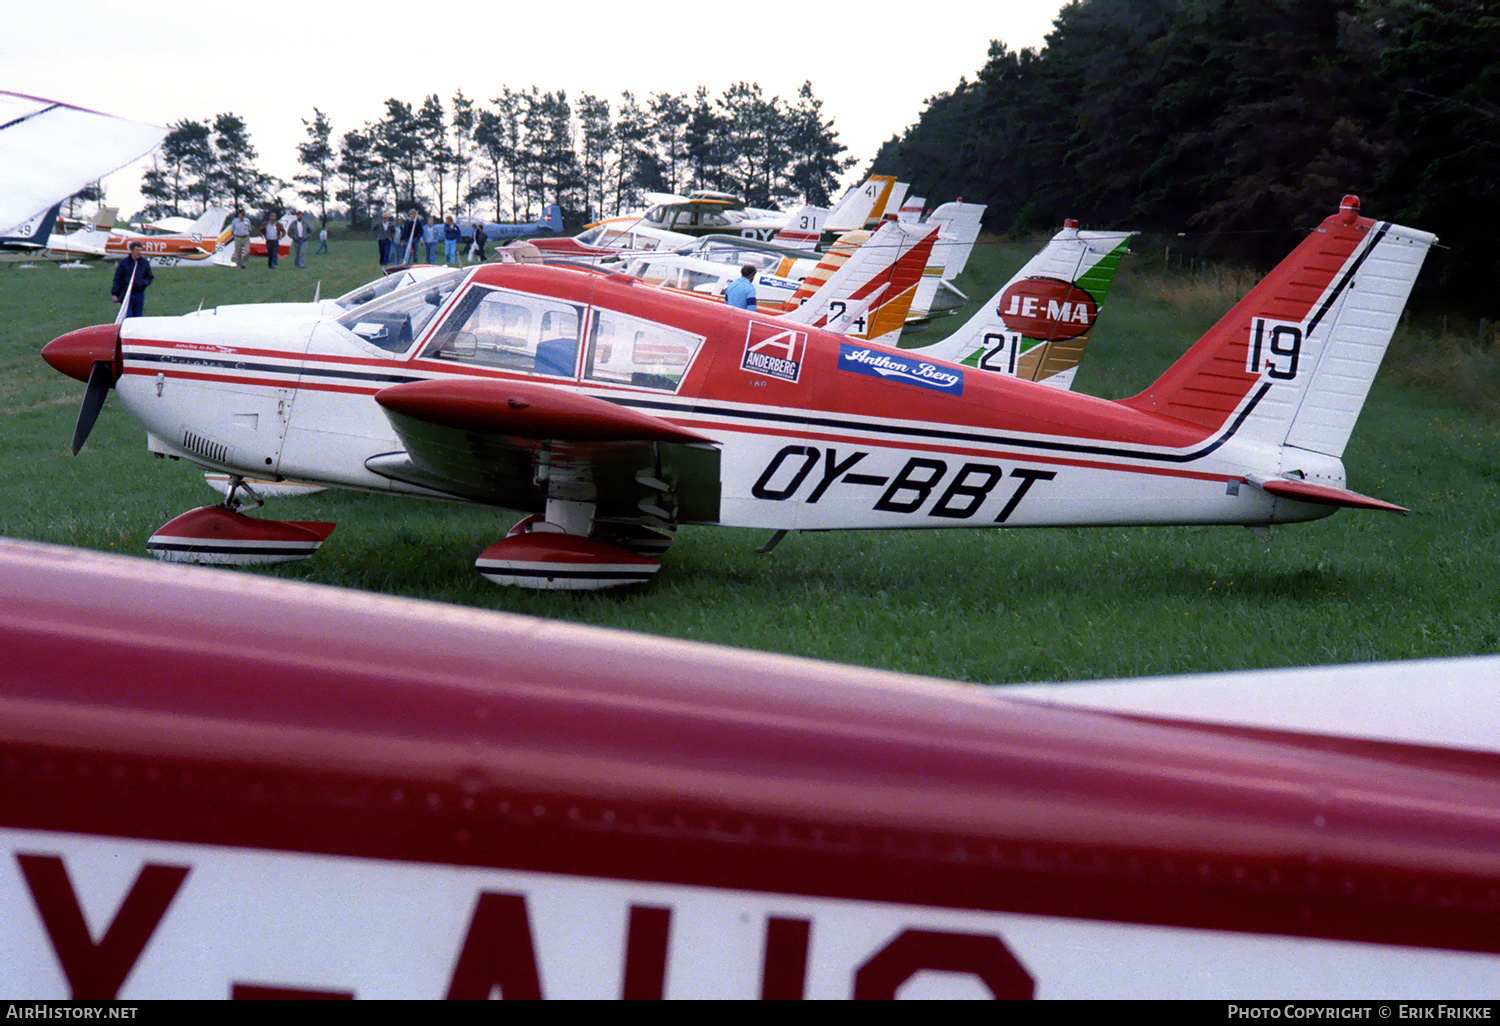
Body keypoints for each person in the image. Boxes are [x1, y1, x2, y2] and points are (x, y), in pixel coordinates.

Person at [110, 241, 154, 318]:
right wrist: (115, 294)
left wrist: (142, 283)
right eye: (137, 250)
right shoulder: (124, 263)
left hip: (139, 294)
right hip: (126, 293)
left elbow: (149, 277)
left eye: (140, 250)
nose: (139, 252)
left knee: (137, 317)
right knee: (128, 315)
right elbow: (118, 279)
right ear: (131, 251)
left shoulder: (144, 263)